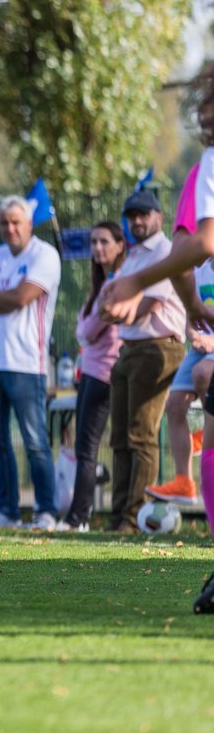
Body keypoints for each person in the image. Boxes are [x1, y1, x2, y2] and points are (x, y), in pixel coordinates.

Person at [98, 69, 214, 608]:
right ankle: (182, 487)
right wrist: (194, 308)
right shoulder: (201, 172)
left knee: (203, 410)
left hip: (165, 342)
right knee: (193, 413)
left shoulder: (207, 169)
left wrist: (139, 282)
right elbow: (193, 254)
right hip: (188, 331)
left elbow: (197, 247)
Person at [0, 196, 62, 530]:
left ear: (28, 223)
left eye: (15, 222)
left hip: (26, 362)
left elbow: (22, 298)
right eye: (4, 223)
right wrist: (2, 301)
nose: (9, 228)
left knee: (34, 441)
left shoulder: (45, 255)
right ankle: (7, 511)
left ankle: (45, 511)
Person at [98, 190, 188, 534]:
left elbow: (141, 309)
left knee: (141, 437)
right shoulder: (134, 257)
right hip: (129, 349)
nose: (137, 221)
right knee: (119, 438)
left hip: (158, 348)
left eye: (143, 214)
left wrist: (115, 311)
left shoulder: (166, 253)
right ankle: (118, 514)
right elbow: (109, 307)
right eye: (132, 215)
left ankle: (136, 518)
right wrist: (114, 310)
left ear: (159, 217)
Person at [146, 162, 214, 508]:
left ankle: (206, 434)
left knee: (205, 375)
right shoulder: (198, 261)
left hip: (212, 349)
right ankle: (185, 481)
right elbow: (193, 307)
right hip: (201, 345)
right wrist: (193, 332)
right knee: (174, 406)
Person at [62, 222, 126, 532]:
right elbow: (85, 330)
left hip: (105, 374)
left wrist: (85, 326)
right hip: (89, 372)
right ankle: (85, 513)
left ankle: (78, 519)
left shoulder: (118, 282)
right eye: (94, 242)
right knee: (86, 449)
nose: (98, 248)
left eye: (104, 242)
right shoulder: (101, 284)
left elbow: (87, 331)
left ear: (119, 246)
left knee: (88, 449)